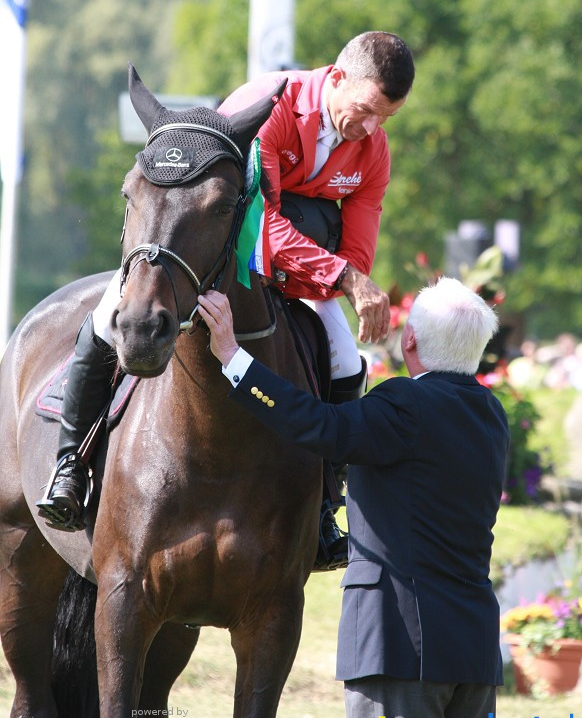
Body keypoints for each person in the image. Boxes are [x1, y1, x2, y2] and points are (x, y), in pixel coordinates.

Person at [37, 31, 415, 545]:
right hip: (201, 250)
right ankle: (70, 467)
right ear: (338, 77)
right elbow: (259, 222)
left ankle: (326, 502)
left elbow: (358, 254)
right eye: (367, 109)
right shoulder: (267, 109)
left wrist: (335, 277)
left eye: (385, 118)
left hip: (297, 275)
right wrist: (343, 277)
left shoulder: (373, 149)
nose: (371, 128)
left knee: (348, 361)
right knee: (106, 321)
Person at [196, 277, 510, 718]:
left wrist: (235, 359)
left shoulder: (406, 403)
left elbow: (321, 425)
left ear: (409, 341)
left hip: (399, 647)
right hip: (473, 648)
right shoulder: (491, 413)